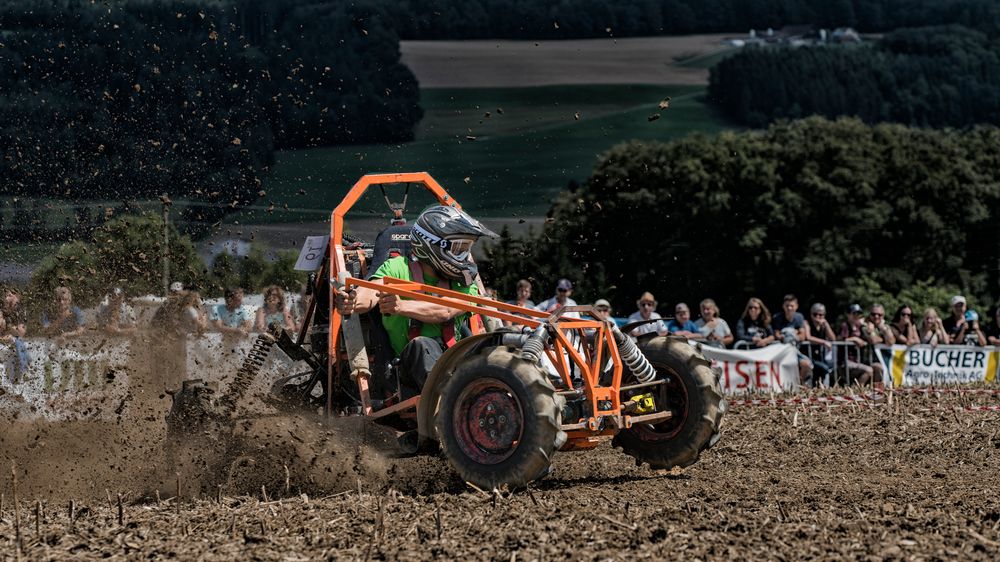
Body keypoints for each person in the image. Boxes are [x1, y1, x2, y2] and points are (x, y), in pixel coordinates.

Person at [335, 205, 497, 399]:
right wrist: (353, 300)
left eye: (467, 248)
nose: (464, 256)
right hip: (407, 371)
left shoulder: (463, 280)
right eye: (459, 248)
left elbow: (446, 310)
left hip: (456, 363)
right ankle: (454, 401)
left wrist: (401, 306)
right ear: (433, 245)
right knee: (422, 345)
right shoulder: (397, 268)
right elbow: (371, 291)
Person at [771, 294, 813, 386]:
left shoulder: (799, 317)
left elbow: (802, 336)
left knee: (806, 364)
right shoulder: (777, 318)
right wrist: (791, 333)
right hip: (782, 352)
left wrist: (792, 335)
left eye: (792, 306)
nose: (789, 308)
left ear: (796, 306)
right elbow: (777, 334)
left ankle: (799, 385)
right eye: (787, 306)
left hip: (794, 351)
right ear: (783, 306)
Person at [838, 304, 880, 386]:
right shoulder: (845, 326)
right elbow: (841, 339)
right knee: (868, 370)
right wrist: (854, 339)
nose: (856, 316)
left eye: (858, 314)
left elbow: (874, 339)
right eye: (854, 313)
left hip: (857, 361)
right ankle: (857, 391)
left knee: (876, 369)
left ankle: (871, 392)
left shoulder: (861, 327)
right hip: (845, 361)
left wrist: (870, 330)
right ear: (848, 315)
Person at [1, 286, 30, 381]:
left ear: (18, 297)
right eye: (6, 296)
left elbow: (21, 332)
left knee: (18, 342)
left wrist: (9, 329)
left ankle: (25, 370)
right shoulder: (2, 311)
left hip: (13, 341)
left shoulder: (21, 311)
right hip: (3, 341)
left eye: (10, 295)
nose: (7, 298)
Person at [805, 302, 835, 386]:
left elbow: (833, 338)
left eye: (821, 315)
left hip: (820, 357)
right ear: (811, 314)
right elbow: (808, 337)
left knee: (822, 371)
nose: (818, 316)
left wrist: (827, 325)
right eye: (815, 314)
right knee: (823, 369)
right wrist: (824, 342)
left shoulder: (823, 326)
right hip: (808, 355)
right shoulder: (807, 323)